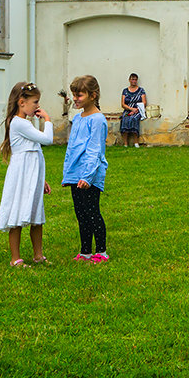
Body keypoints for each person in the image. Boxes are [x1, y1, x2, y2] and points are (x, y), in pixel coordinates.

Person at [0, 82, 53, 267]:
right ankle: (16, 258)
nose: (38, 106)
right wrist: (48, 120)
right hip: (21, 176)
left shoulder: (25, 123)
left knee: (37, 215)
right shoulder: (18, 123)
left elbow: (35, 150)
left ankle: (38, 255)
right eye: (35, 102)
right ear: (22, 102)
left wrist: (41, 179)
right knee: (18, 213)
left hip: (32, 175)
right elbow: (47, 140)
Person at [63, 75, 109, 262]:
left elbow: (94, 150)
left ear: (93, 95)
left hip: (90, 175)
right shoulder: (78, 118)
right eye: (74, 95)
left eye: (79, 95)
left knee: (92, 212)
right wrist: (69, 175)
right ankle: (85, 251)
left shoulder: (97, 120)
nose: (75, 98)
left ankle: (101, 251)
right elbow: (72, 148)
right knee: (81, 214)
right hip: (76, 175)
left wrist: (87, 176)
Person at [119, 73, 146, 148]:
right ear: (129, 80)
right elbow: (123, 104)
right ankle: (125, 143)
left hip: (138, 110)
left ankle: (136, 142)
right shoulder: (125, 91)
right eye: (132, 79)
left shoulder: (141, 90)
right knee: (125, 118)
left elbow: (144, 102)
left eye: (135, 79)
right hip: (128, 110)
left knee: (134, 119)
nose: (134, 81)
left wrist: (136, 110)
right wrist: (131, 109)